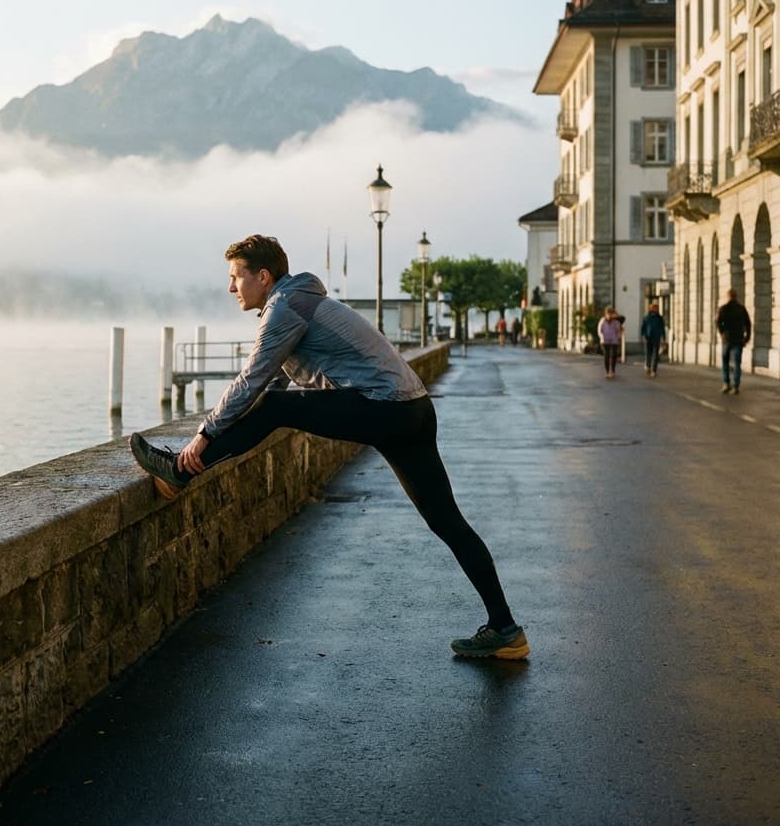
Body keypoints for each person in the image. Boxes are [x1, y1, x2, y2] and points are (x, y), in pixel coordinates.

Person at [129, 234, 528, 660]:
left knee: (277, 408)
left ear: (262, 277)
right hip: (413, 408)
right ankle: (506, 629)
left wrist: (203, 435)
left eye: (236, 277)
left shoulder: (284, 307)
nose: (231, 288)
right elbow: (275, 376)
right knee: (448, 523)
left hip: (384, 407)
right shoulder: (297, 302)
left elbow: (252, 382)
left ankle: (181, 470)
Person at [716, 288, 752, 394]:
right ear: (736, 297)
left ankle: (726, 384)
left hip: (727, 339)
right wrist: (746, 338)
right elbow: (748, 324)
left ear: (728, 297)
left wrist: (722, 332)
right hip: (738, 339)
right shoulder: (741, 309)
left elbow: (717, 321)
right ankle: (736, 386)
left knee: (725, 361)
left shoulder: (723, 308)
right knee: (737, 363)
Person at [640, 302, 667, 378]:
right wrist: (643, 336)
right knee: (648, 353)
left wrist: (663, 338)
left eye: (657, 308)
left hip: (656, 338)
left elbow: (662, 328)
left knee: (655, 354)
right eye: (654, 308)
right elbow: (643, 328)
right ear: (650, 308)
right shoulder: (646, 317)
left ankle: (654, 370)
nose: (655, 309)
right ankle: (648, 366)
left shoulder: (660, 318)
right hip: (648, 337)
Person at [597, 306, 622, 378]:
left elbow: (618, 331)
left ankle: (613, 370)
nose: (610, 315)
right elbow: (599, 330)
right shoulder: (602, 321)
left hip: (614, 340)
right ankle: (608, 371)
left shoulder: (616, 322)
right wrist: (602, 337)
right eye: (609, 314)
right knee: (607, 356)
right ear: (606, 314)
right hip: (605, 340)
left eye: (612, 314)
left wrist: (618, 337)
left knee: (614, 355)